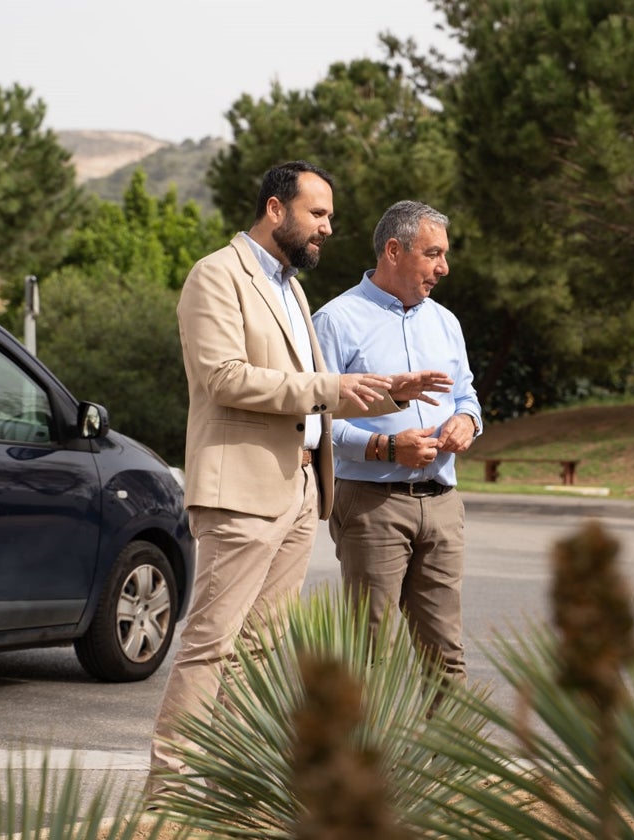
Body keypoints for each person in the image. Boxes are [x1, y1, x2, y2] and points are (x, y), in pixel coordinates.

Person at [146, 162, 446, 801]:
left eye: (329, 217)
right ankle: (168, 799)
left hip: (300, 487)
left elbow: (319, 395)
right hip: (240, 491)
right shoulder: (217, 275)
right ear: (276, 210)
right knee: (210, 646)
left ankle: (226, 788)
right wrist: (333, 387)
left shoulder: (292, 288)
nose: (328, 229)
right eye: (318, 215)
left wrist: (392, 390)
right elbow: (224, 377)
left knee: (259, 650)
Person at [312, 199, 482, 691]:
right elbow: (316, 422)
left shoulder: (446, 322)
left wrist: (467, 422)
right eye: (433, 254)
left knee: (447, 657)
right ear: (394, 250)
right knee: (371, 657)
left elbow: (466, 394)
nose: (443, 268)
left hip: (444, 504)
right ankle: (365, 766)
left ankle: (443, 768)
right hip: (372, 507)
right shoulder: (336, 320)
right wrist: (388, 448)